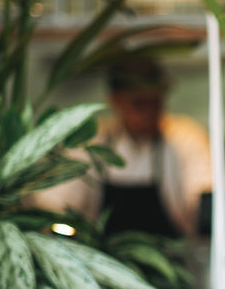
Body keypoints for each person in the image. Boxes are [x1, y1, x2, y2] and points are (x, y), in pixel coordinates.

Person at [32, 57, 214, 237]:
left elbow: (207, 193)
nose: (149, 113)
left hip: (171, 258)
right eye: (139, 104)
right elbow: (56, 202)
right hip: (102, 258)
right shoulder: (93, 142)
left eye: (155, 103)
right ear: (115, 100)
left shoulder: (186, 138)